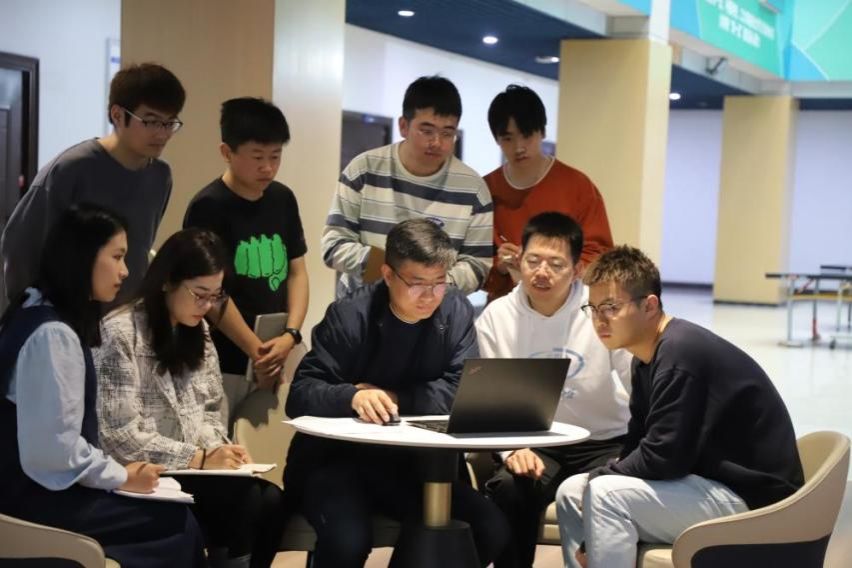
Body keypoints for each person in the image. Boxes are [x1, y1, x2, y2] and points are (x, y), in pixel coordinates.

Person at [555, 246, 805, 568]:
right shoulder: (645, 358)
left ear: (649, 306)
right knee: (571, 491)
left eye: (611, 307)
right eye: (592, 308)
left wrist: (601, 479)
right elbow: (639, 441)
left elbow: (663, 457)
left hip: (753, 499)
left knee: (603, 494)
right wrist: (593, 517)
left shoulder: (680, 353)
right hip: (704, 482)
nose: (599, 320)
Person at [285, 219, 510, 567]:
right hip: (337, 463)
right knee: (348, 540)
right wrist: (352, 397)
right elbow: (301, 394)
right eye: (417, 284)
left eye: (439, 282)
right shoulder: (351, 316)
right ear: (388, 275)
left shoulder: (455, 310)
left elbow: (462, 390)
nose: (430, 295)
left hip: (415, 467)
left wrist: (394, 398)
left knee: (489, 526)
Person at [0, 205, 205, 568]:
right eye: (117, 256)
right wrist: (120, 476)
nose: (125, 271)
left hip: (30, 487)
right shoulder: (53, 336)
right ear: (83, 257)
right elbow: (54, 450)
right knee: (177, 523)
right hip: (32, 497)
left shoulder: (33, 309)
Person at [94, 228, 285, 568]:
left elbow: (211, 409)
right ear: (168, 281)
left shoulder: (198, 331)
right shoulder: (121, 332)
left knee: (272, 500)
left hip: (193, 469)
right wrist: (198, 458)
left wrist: (222, 453)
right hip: (142, 473)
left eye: (215, 296)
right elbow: (119, 436)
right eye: (199, 294)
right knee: (245, 503)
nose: (207, 306)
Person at [474, 212, 631, 568]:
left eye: (556, 264)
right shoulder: (496, 317)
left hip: (602, 441)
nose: (541, 272)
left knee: (610, 491)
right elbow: (488, 400)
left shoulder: (600, 311)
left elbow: (637, 381)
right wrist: (512, 449)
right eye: (533, 261)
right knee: (510, 488)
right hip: (534, 440)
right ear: (519, 260)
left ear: (577, 270)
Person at [1, 63, 186, 309]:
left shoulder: (160, 176)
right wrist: (35, 315)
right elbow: (20, 252)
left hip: (123, 317)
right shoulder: (71, 169)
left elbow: (138, 249)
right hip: (67, 316)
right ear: (117, 115)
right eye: (151, 121)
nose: (162, 134)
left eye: (169, 123)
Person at [184, 97, 308, 417]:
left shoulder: (283, 198)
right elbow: (211, 294)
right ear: (227, 152)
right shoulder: (208, 206)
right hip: (227, 358)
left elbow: (297, 272)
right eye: (257, 157)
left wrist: (291, 335)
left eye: (275, 156)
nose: (268, 167)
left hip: (281, 349)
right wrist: (258, 352)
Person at [322, 75, 493, 298]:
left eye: (447, 133)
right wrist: (393, 273)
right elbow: (334, 244)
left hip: (433, 310)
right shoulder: (364, 169)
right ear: (403, 126)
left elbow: (478, 265)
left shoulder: (473, 189)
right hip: (362, 305)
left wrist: (428, 285)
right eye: (427, 131)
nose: (437, 142)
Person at [482, 85, 613, 303]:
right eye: (508, 138)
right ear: (497, 139)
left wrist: (554, 265)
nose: (519, 147)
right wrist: (501, 266)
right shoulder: (485, 190)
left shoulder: (577, 186)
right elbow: (477, 262)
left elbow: (599, 255)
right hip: (506, 308)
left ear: (542, 132)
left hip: (566, 307)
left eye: (527, 135)